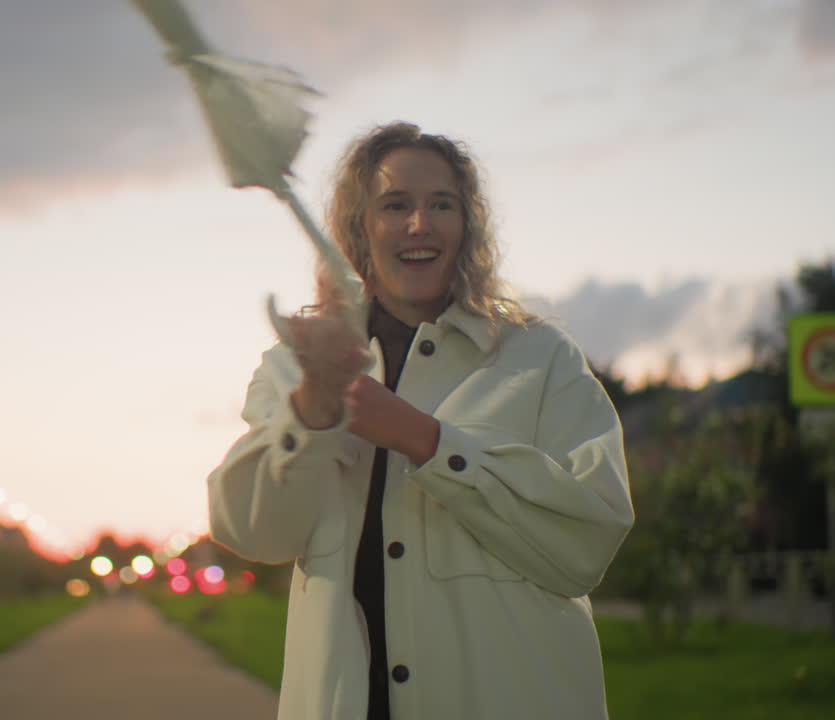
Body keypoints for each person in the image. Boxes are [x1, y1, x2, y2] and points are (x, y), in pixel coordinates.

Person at [207, 122, 634, 719]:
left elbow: (587, 540)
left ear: (467, 225)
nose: (419, 224)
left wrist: (425, 440)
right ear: (361, 228)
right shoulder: (294, 369)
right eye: (395, 206)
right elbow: (252, 533)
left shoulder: (539, 358)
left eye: (442, 204)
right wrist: (312, 411)